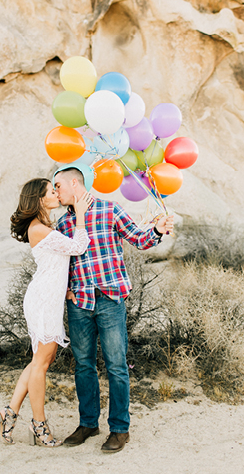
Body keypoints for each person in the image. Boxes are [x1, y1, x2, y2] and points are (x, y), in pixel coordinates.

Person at [53, 165, 175, 454]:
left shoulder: (110, 210)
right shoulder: (63, 224)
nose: (56, 193)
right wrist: (66, 289)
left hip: (110, 299)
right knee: (83, 366)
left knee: (116, 366)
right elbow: (61, 264)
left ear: (74, 183)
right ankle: (88, 423)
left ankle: (120, 429)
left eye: (58, 186)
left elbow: (139, 240)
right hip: (79, 303)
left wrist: (157, 229)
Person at [0, 178, 92, 446]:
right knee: (42, 364)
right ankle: (39, 425)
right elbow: (78, 247)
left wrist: (67, 287)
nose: (57, 193)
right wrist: (80, 216)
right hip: (44, 301)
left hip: (48, 298)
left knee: (38, 361)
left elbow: (59, 264)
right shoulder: (40, 229)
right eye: (51, 191)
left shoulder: (45, 226)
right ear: (39, 200)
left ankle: (9, 412)